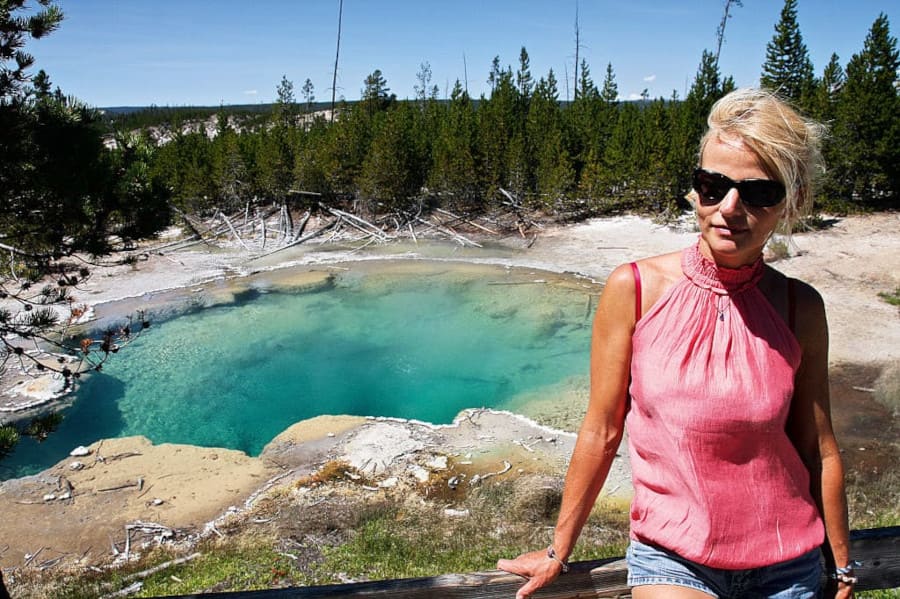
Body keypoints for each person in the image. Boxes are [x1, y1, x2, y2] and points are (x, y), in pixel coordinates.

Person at [498, 88, 854, 599]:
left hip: (786, 562)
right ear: (695, 190)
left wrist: (841, 566)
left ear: (790, 202)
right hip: (673, 557)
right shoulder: (634, 289)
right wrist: (559, 549)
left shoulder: (800, 308)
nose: (729, 208)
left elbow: (818, 448)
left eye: (758, 192)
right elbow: (602, 428)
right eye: (713, 186)